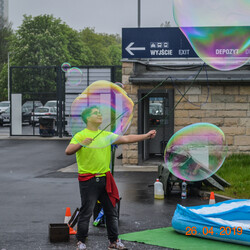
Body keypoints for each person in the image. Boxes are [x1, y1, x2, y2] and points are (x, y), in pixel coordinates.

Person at [65, 106, 156, 250]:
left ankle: (114, 242)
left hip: (105, 179)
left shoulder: (105, 135)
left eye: (100, 112)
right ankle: (81, 242)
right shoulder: (80, 135)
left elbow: (126, 138)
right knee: (86, 212)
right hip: (88, 180)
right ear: (88, 118)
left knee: (111, 211)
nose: (100, 115)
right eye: (96, 113)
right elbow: (68, 151)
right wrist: (81, 144)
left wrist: (145, 136)